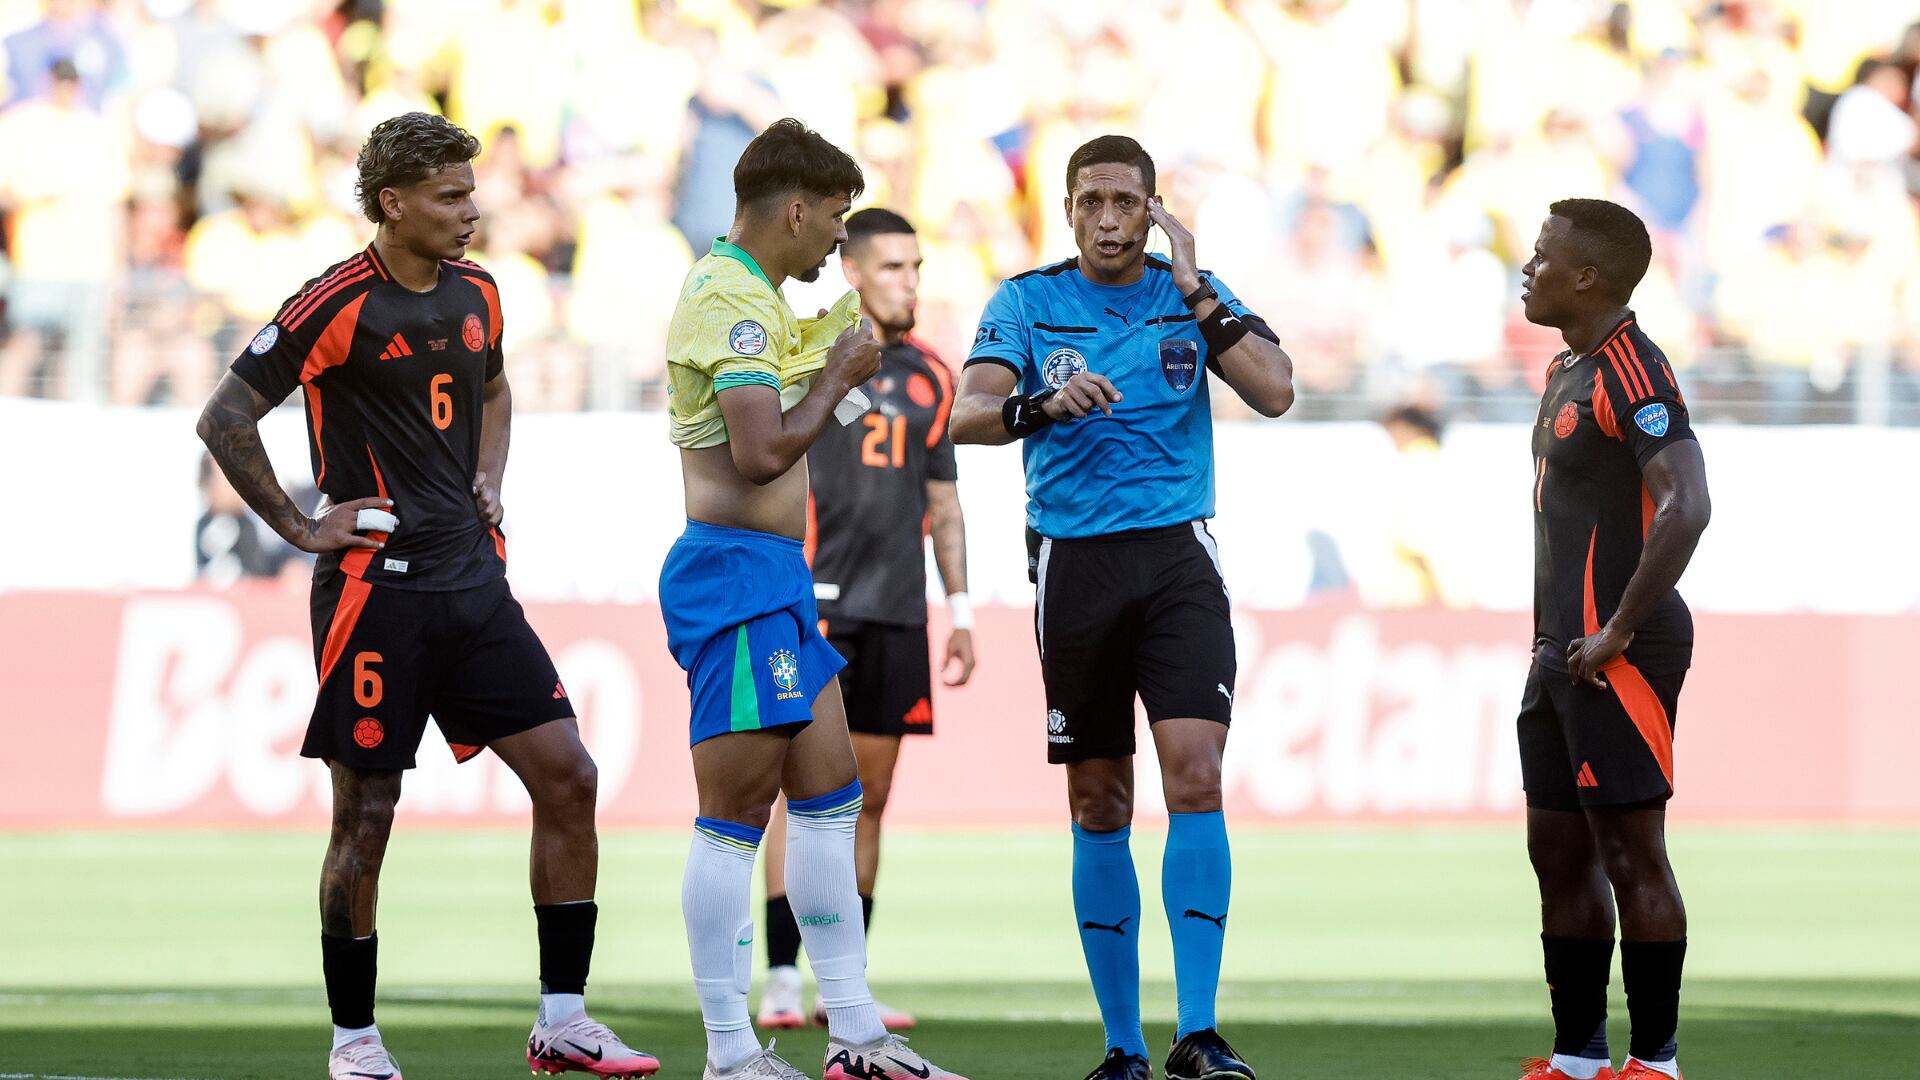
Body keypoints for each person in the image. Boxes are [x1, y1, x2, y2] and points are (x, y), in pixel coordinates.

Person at [194, 112, 657, 1080]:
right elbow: (224, 415)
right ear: (393, 203)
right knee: (366, 817)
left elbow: (495, 390)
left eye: (470, 192)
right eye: (450, 196)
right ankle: (354, 1041)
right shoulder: (335, 303)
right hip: (376, 594)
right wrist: (301, 524)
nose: (472, 212)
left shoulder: (480, 292)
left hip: (473, 582)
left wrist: (492, 477)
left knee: (570, 777)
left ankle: (562, 1021)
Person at [949, 134, 1295, 1080]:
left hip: (1178, 558)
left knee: (1196, 775)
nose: (1109, 219)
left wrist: (1198, 291)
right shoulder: (1027, 300)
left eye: (1126, 203)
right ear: (1067, 210)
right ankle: (1122, 1044)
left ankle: (1197, 1031)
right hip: (1077, 569)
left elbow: (1276, 390)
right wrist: (1041, 405)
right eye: (1092, 201)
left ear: (1153, 211)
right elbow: (966, 414)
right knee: (1100, 796)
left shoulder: (1195, 293)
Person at [659, 118, 967, 1080]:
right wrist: (838, 371)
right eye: (833, 223)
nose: (838, 244)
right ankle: (729, 1050)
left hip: (777, 576)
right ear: (793, 209)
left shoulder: (754, 298)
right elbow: (755, 453)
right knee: (736, 814)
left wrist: (833, 373)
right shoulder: (730, 302)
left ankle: (856, 1038)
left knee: (832, 797)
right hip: (736, 574)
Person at [756, 208, 976, 1033]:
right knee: (794, 792)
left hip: (895, 612)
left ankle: (844, 985)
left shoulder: (931, 376)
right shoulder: (811, 354)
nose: (909, 282)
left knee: (870, 797)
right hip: (807, 603)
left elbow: (943, 502)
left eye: (916, 267)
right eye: (892, 268)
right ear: (852, 271)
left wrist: (958, 608)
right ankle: (780, 976)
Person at [1514, 198, 1711, 1080]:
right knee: (1557, 850)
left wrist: (1619, 628)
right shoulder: (1569, 366)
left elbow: (1688, 503)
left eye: (1543, 254)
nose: (1528, 265)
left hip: (1617, 652)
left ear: (1586, 276)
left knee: (1633, 853)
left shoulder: (1634, 368)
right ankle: (1579, 1060)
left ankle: (1656, 1064)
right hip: (1560, 653)